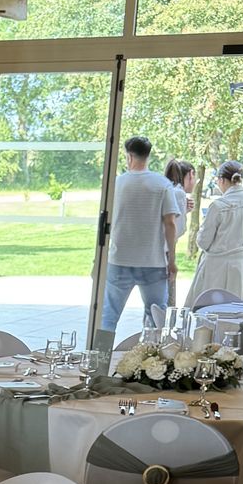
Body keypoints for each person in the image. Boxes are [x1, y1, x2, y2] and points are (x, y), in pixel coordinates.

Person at [101, 134, 179, 334]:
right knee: (156, 320)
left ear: (129, 156)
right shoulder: (162, 185)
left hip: (119, 259)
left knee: (108, 317)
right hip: (153, 262)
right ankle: (155, 362)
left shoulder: (116, 184)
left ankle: (99, 360)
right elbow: (170, 223)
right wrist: (171, 260)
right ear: (148, 156)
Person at [193, 160, 243, 299]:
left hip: (218, 270)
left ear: (221, 180)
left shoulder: (218, 206)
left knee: (212, 310)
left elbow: (203, 242)